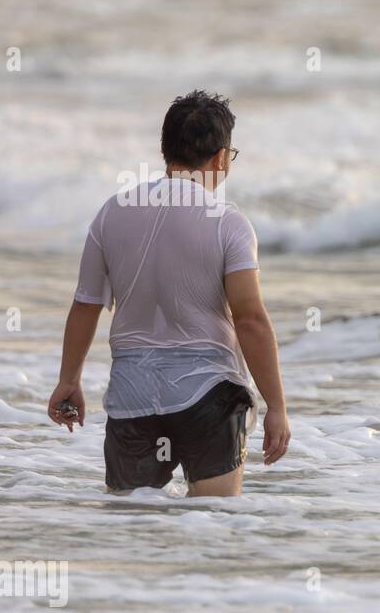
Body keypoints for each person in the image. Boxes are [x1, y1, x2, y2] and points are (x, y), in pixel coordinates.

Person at [47, 90, 290, 496]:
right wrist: (277, 407)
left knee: (133, 522)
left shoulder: (112, 212)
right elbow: (249, 319)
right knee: (212, 521)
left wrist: (68, 379)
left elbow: (86, 305)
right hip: (208, 393)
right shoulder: (228, 222)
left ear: (166, 149)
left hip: (133, 394)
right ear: (220, 157)